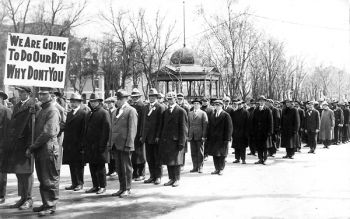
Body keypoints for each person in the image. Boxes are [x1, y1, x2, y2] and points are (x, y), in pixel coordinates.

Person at [26, 87, 60, 216]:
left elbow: (48, 132)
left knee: (49, 178)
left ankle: (51, 205)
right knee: (42, 178)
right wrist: (33, 114)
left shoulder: (52, 110)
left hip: (48, 149)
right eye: (39, 94)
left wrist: (33, 146)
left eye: (44, 94)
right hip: (41, 149)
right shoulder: (42, 110)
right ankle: (46, 202)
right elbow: (36, 129)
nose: (40, 96)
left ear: (51, 95)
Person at [2, 87, 35, 210]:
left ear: (28, 94)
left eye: (23, 93)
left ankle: (28, 198)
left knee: (27, 173)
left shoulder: (33, 106)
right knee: (19, 172)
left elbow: (32, 129)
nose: (21, 94)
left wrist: (29, 147)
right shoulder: (17, 105)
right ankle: (22, 197)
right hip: (16, 144)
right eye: (19, 92)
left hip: (26, 144)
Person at [109, 89, 138, 198]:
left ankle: (127, 188)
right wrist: (110, 143)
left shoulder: (131, 111)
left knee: (126, 167)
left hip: (125, 144)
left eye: (121, 99)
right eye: (118, 98)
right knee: (119, 167)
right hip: (116, 144)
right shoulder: (114, 111)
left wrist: (129, 144)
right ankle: (121, 188)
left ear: (126, 99)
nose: (118, 101)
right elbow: (112, 128)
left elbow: (132, 129)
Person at [159, 92, 188, 187]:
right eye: (168, 99)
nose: (170, 101)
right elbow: (163, 127)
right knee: (169, 161)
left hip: (176, 141)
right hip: (167, 141)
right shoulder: (166, 112)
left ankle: (177, 179)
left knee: (176, 161)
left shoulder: (181, 111)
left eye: (171, 99)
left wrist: (182, 142)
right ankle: (171, 178)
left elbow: (184, 128)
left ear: (175, 99)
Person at [84, 93, 111, 194]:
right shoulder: (90, 113)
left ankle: (102, 186)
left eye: (94, 101)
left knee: (100, 167)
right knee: (92, 166)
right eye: (91, 101)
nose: (92, 103)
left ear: (99, 102)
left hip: (100, 145)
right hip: (91, 145)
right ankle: (95, 185)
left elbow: (106, 130)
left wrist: (103, 145)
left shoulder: (104, 113)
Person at [62, 93, 87, 191]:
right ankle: (74, 182)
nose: (72, 104)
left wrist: (82, 144)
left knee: (79, 165)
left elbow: (84, 130)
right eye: (71, 102)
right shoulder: (69, 113)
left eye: (75, 102)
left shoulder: (83, 113)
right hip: (69, 143)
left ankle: (80, 183)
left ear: (79, 102)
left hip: (78, 144)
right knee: (71, 164)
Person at [141, 88, 165, 185]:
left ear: (156, 97)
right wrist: (142, 135)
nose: (151, 98)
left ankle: (158, 176)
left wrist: (158, 136)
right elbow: (143, 122)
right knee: (149, 157)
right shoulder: (145, 108)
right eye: (150, 96)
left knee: (157, 158)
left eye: (153, 96)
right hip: (147, 137)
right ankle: (152, 176)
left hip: (156, 137)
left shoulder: (160, 107)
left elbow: (161, 124)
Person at [207, 99, 233, 175]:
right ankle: (216, 168)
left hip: (222, 139)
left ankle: (221, 168)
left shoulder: (226, 115)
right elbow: (210, 126)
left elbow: (229, 128)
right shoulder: (212, 114)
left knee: (222, 155)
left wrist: (227, 138)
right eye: (215, 105)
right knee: (215, 154)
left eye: (218, 105)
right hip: (214, 138)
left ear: (221, 105)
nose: (217, 106)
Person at [188, 98, 208, 173]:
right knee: (193, 152)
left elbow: (205, 125)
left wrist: (204, 136)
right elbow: (188, 124)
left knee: (200, 152)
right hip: (191, 135)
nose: (196, 105)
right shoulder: (190, 113)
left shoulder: (203, 113)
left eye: (197, 104)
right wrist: (188, 135)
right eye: (194, 104)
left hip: (199, 135)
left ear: (200, 105)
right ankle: (195, 167)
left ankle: (200, 167)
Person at [130, 88, 146, 181]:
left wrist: (141, 135)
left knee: (140, 155)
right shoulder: (132, 106)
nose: (134, 98)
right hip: (133, 133)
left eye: (136, 97)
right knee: (134, 155)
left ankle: (141, 173)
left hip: (139, 134)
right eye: (133, 97)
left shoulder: (142, 106)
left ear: (139, 97)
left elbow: (143, 122)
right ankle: (135, 173)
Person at [252, 95, 273, 165]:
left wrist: (270, 132)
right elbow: (253, 121)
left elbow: (270, 122)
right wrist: (253, 131)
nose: (261, 102)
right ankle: (260, 159)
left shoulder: (268, 110)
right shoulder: (256, 110)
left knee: (265, 147)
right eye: (260, 101)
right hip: (258, 132)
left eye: (263, 101)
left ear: (265, 102)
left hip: (265, 132)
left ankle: (265, 159)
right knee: (259, 146)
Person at [0, 90, 12, 204]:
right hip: (2, 145)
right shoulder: (7, 110)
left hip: (2, 146)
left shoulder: (6, 111)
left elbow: (9, 131)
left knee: (1, 171)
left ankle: (1, 195)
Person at [231, 99, 249, 164]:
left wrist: (246, 133)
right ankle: (237, 158)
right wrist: (233, 132)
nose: (239, 105)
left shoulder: (246, 112)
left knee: (243, 147)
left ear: (242, 104)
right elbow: (232, 123)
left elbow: (248, 123)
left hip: (243, 132)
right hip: (236, 132)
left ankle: (243, 159)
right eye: (238, 104)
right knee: (236, 147)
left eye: (240, 104)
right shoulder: (234, 113)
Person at [105, 97, 117, 177]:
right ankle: (110, 169)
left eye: (110, 103)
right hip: (108, 135)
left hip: (114, 135)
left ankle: (115, 170)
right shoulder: (107, 112)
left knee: (114, 154)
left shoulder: (116, 111)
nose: (109, 104)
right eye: (108, 103)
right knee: (109, 154)